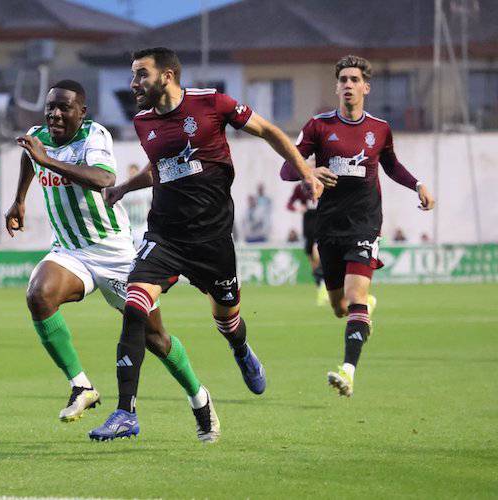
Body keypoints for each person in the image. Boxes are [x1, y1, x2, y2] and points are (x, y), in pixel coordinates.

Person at [91, 47, 322, 441]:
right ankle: (125, 411)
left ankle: (240, 349)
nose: (133, 84)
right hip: (164, 236)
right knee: (135, 304)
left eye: (140, 75)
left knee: (228, 320)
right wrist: (124, 189)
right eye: (132, 75)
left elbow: (268, 130)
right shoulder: (144, 122)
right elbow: (161, 167)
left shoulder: (212, 103)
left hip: (213, 240)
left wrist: (304, 172)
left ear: (167, 75)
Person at [6, 80, 218, 442]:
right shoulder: (37, 136)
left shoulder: (94, 136)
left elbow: (105, 178)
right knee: (38, 295)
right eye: (50, 107)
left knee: (157, 339)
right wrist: (20, 199)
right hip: (71, 251)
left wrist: (47, 160)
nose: (55, 114)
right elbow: (31, 158)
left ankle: (199, 398)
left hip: (115, 254)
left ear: (82, 112)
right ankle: (81, 386)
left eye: (64, 108)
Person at [280, 55, 435, 397]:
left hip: (365, 224)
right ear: (336, 87)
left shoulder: (379, 129)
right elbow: (286, 170)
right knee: (339, 308)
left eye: (354, 80)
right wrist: (309, 171)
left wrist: (419, 184)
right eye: (343, 80)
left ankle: (348, 371)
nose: (348, 85)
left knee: (355, 297)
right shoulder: (318, 126)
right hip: (329, 226)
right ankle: (362, 312)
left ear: (366, 87)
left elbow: (392, 166)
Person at [286, 182, 329, 305]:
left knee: (317, 253)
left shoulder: (322, 184)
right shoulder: (300, 188)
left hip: (321, 223)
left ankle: (325, 286)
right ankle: (321, 289)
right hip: (307, 226)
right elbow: (289, 204)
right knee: (313, 262)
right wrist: (298, 208)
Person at [121, 163, 151, 246]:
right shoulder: (123, 192)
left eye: (134, 173)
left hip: (143, 227)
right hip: (130, 227)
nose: (132, 175)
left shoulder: (146, 190)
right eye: (131, 173)